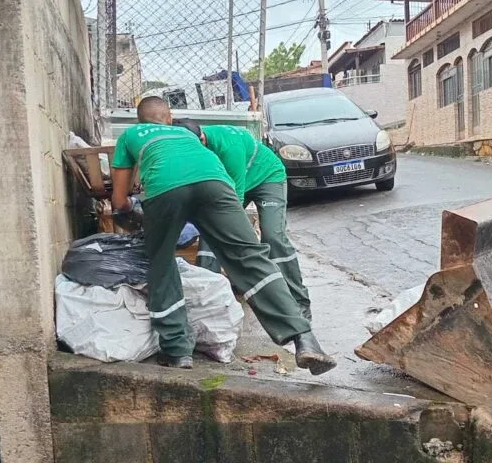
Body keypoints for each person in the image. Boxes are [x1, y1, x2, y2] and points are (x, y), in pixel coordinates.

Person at [111, 97, 336, 375]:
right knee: (251, 258)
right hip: (216, 183)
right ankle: (305, 339)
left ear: (139, 120)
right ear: (168, 118)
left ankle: (177, 350)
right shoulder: (187, 133)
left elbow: (119, 201)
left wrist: (133, 211)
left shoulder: (130, 135)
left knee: (161, 262)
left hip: (165, 189)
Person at [173, 121, 312, 321]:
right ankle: (206, 299)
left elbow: (234, 202)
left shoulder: (229, 146)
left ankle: (299, 302)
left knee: (273, 236)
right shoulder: (189, 147)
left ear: (202, 139)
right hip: (232, 183)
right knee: (210, 229)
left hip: (266, 178)